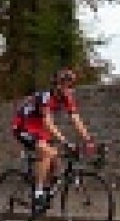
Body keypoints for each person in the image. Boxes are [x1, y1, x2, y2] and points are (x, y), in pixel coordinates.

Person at [11, 67, 95, 207]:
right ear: (56, 84)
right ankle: (38, 192)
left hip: (39, 129)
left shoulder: (67, 97)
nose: (67, 88)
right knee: (48, 152)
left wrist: (88, 139)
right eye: (64, 84)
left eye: (69, 85)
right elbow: (48, 123)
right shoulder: (46, 97)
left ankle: (46, 190)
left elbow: (76, 119)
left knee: (56, 159)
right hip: (23, 126)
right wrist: (65, 141)